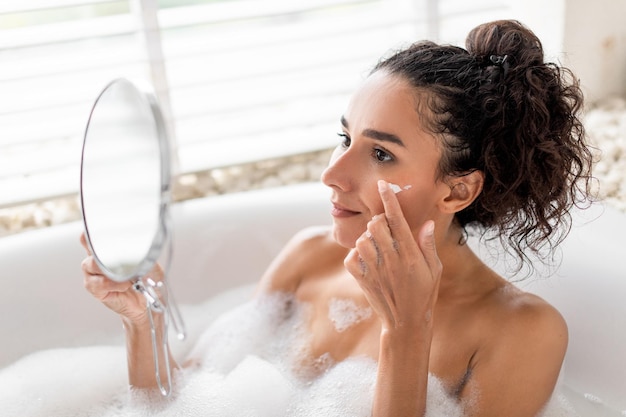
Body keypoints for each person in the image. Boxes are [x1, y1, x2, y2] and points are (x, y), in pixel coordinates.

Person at [82, 19, 593, 416]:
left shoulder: (520, 331)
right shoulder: (311, 258)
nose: (333, 173)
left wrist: (408, 331)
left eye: (382, 154)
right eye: (346, 139)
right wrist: (141, 321)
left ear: (458, 189)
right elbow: (180, 405)